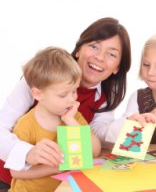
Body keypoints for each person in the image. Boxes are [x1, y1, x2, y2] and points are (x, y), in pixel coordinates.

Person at [0, 17, 156, 190]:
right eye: (94, 46)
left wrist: (129, 123)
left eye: (111, 54)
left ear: (117, 67)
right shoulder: (41, 76)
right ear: (78, 50)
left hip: (60, 183)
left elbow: (99, 136)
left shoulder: (100, 97)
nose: (99, 57)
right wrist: (27, 153)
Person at [9, 47, 101, 192]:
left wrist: (73, 124)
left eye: (74, 91)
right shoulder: (25, 125)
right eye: (63, 95)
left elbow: (95, 151)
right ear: (38, 94)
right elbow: (16, 172)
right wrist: (57, 167)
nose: (72, 99)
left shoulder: (74, 116)